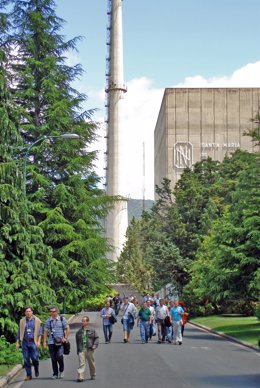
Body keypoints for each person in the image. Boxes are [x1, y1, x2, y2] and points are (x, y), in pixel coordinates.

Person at [43, 306, 70, 379]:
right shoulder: (48, 321)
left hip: (60, 342)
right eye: (51, 312)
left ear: (57, 312)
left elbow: (67, 328)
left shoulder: (62, 319)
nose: (52, 313)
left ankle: (61, 370)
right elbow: (45, 331)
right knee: (53, 358)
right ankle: (55, 373)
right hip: (51, 342)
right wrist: (44, 342)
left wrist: (65, 338)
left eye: (54, 311)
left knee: (59, 356)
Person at [16, 306, 42, 381]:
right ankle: (29, 375)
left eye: (29, 311)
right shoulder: (22, 321)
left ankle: (36, 368)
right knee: (26, 359)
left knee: (35, 358)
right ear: (25, 313)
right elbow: (19, 332)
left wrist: (38, 341)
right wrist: (17, 342)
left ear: (32, 312)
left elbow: (40, 333)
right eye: (26, 311)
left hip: (33, 342)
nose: (28, 312)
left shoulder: (37, 320)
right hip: (24, 342)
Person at [75, 316, 99, 382]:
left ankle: (93, 374)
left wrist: (95, 345)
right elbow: (77, 342)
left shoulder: (92, 330)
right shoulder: (79, 332)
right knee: (81, 363)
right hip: (81, 349)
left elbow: (96, 338)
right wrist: (78, 351)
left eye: (84, 321)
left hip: (89, 349)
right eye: (82, 321)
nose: (82, 322)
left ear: (87, 322)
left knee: (91, 362)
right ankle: (80, 377)